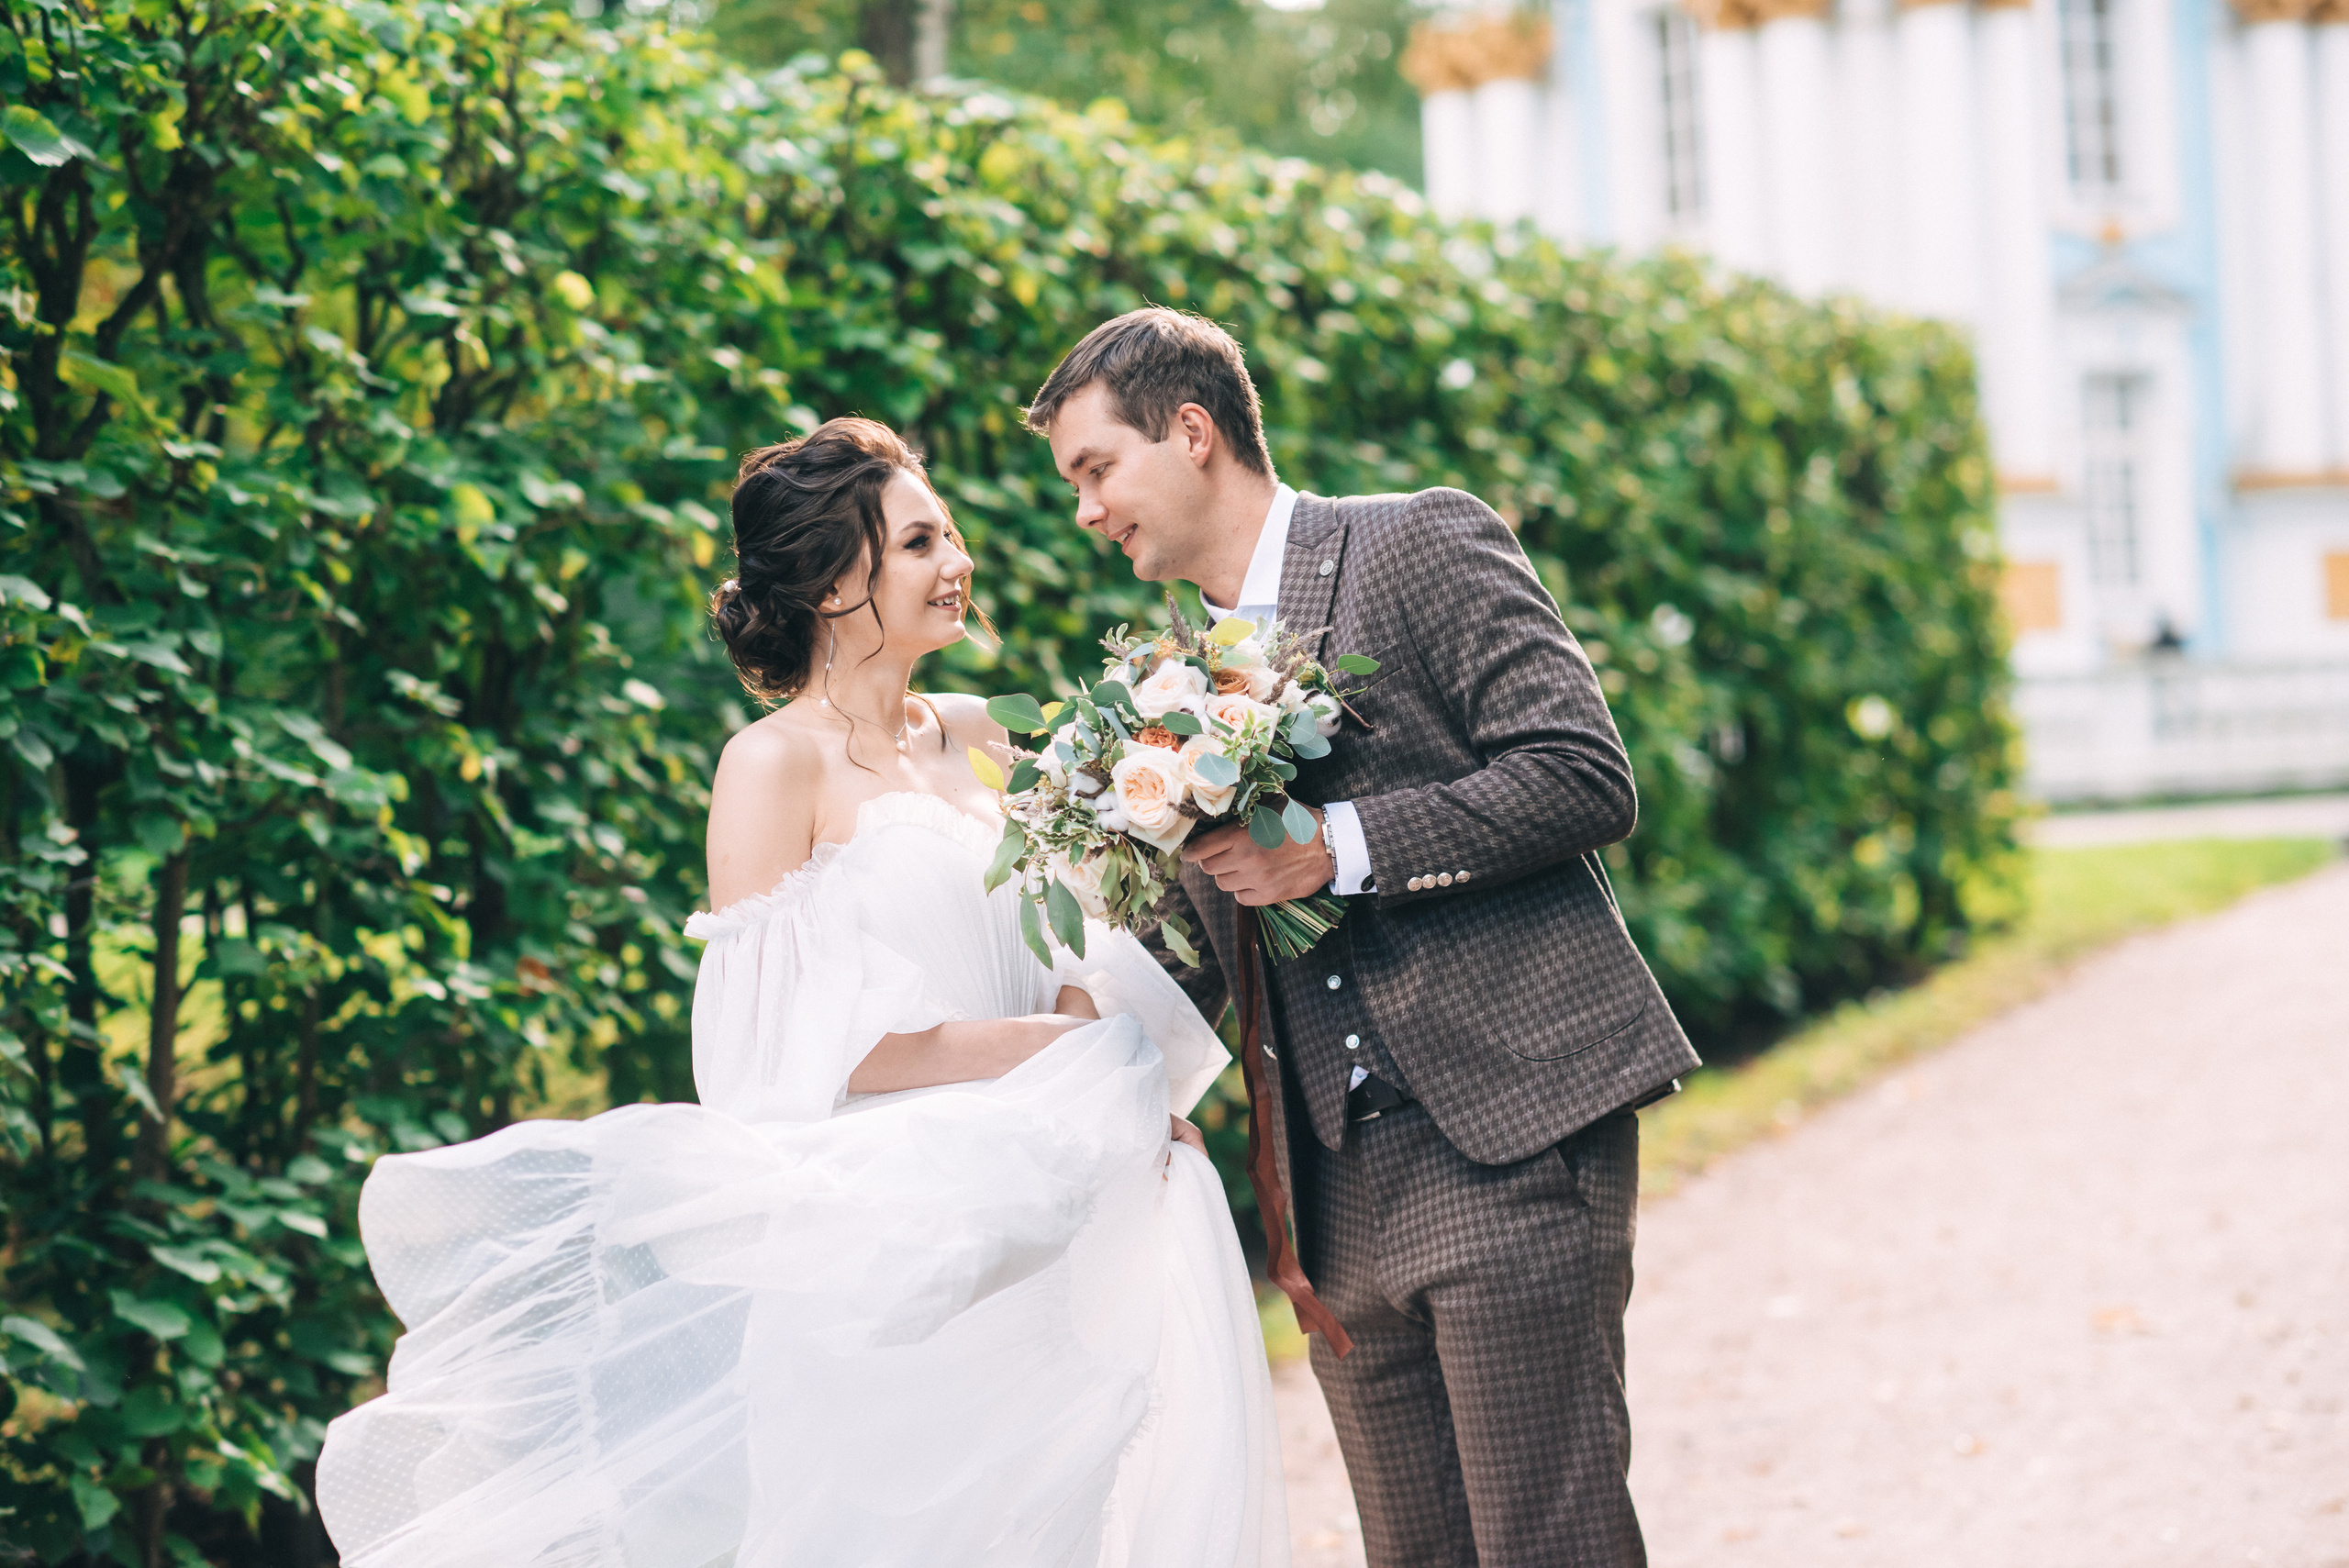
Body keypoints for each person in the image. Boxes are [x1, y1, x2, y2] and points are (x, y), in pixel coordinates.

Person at [314, 417, 1287, 1568]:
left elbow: (1083, 956)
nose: (958, 560)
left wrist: (1111, 1079)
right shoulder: (772, 764)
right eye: (921, 540)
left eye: (950, 531)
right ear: (835, 582)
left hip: (1046, 1213)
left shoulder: (987, 733)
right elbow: (791, 1049)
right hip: (881, 1244)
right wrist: (1044, 1055)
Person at [1027, 309, 1704, 1568]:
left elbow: (1581, 775)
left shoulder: (1419, 539)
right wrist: (1031, 1080)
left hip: (1509, 1126)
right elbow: (1187, 944)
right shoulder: (1173, 685)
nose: (1085, 510)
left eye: (1094, 469)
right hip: (1328, 1191)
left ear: (1191, 433)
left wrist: (1333, 848)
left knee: (1545, 1543)